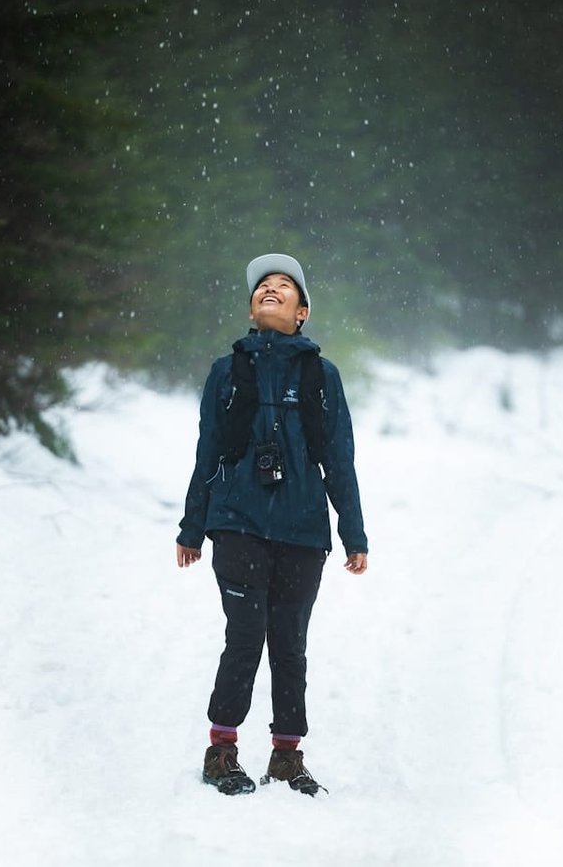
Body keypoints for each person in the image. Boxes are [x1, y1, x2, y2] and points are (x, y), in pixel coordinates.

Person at [176, 253, 368, 796]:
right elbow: (208, 451)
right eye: (263, 285)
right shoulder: (227, 372)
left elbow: (339, 459)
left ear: (302, 312)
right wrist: (193, 526)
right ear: (251, 307)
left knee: (289, 643)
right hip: (237, 522)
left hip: (304, 531)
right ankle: (222, 750)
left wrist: (353, 534)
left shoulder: (323, 377)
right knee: (245, 635)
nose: (272, 289)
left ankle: (287, 756)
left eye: (284, 286)